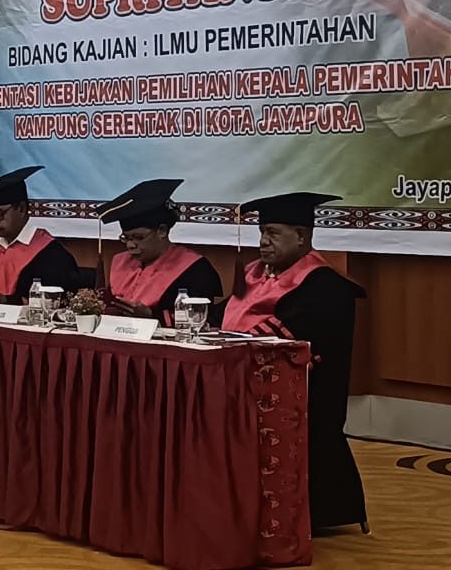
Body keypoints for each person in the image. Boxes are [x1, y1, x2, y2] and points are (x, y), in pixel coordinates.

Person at [222, 191, 367, 531]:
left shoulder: (325, 284)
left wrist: (230, 344)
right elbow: (225, 314)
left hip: (304, 394)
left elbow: (286, 332)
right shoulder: (256, 274)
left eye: (273, 233)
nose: (263, 241)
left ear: (301, 236)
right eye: (262, 232)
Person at [96, 178, 222, 325]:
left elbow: (203, 317)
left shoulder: (195, 269)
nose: (130, 245)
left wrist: (152, 316)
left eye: (138, 237)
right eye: (126, 238)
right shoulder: (121, 263)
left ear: (162, 231)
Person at [0, 165, 80, 303]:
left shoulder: (52, 254)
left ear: (21, 209)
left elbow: (58, 302)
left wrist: (4, 300)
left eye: (0, 213)